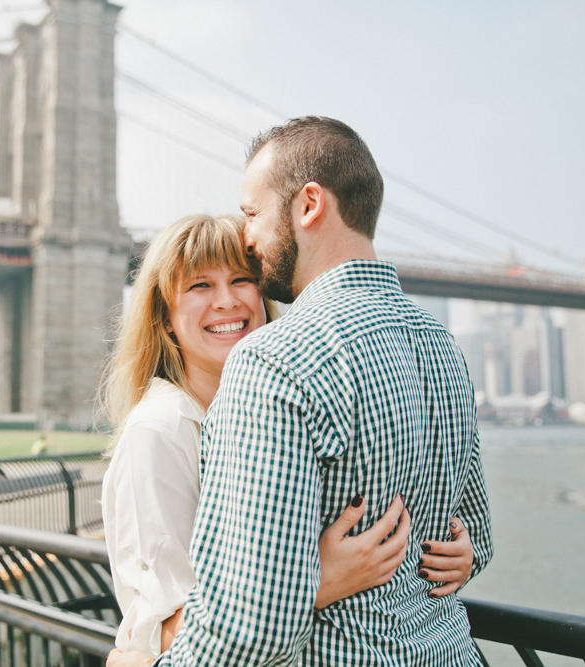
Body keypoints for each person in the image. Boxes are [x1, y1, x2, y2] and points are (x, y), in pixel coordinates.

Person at [131, 117, 493, 667]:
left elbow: (252, 625)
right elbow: (477, 539)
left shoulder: (274, 361)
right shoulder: (442, 345)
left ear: (308, 205)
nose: (248, 239)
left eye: (253, 214)